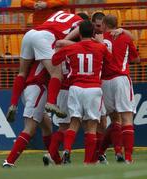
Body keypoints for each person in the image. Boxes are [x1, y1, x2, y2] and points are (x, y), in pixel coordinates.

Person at [51, 20, 112, 164]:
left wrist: (64, 46)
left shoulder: (71, 48)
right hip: (93, 88)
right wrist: (101, 44)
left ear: (78, 33)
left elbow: (54, 60)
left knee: (73, 122)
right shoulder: (100, 48)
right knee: (91, 127)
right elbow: (111, 62)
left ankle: (67, 150)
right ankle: (87, 162)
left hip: (75, 88)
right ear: (92, 33)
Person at [6, 10, 83, 123]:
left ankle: (13, 105)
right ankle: (51, 103)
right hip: (46, 37)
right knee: (56, 73)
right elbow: (80, 29)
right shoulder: (80, 21)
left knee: (22, 72)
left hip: (31, 33)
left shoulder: (60, 12)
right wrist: (64, 41)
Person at [98, 15, 140, 164]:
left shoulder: (100, 39)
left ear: (104, 24)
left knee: (115, 119)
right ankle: (128, 157)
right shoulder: (125, 37)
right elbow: (136, 59)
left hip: (105, 82)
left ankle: (101, 152)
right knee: (127, 118)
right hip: (121, 79)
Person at [3, 61, 52, 167]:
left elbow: (21, 74)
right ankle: (9, 161)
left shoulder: (34, 51)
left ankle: (52, 156)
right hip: (38, 88)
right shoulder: (49, 50)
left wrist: (14, 102)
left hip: (28, 89)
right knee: (30, 128)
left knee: (46, 125)